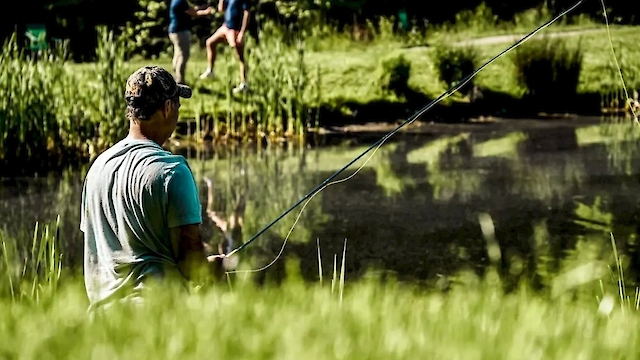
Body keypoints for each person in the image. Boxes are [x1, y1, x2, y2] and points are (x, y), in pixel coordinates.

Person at [80, 66, 219, 311]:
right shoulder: (172, 171)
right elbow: (192, 268)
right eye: (177, 104)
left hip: (102, 325)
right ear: (167, 108)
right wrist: (214, 267)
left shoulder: (97, 168)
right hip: (157, 321)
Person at [199, 0, 250, 94]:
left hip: (235, 29)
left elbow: (247, 13)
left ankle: (244, 83)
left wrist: (242, 32)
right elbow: (221, 9)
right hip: (225, 27)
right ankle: (210, 71)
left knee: (240, 56)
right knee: (210, 42)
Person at [169, 0, 215, 84]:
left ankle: (174, 76)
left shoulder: (175, 1)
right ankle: (180, 80)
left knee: (177, 54)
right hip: (181, 31)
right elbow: (194, 13)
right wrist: (206, 12)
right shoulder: (181, 2)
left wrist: (201, 7)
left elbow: (190, 9)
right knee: (183, 55)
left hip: (174, 31)